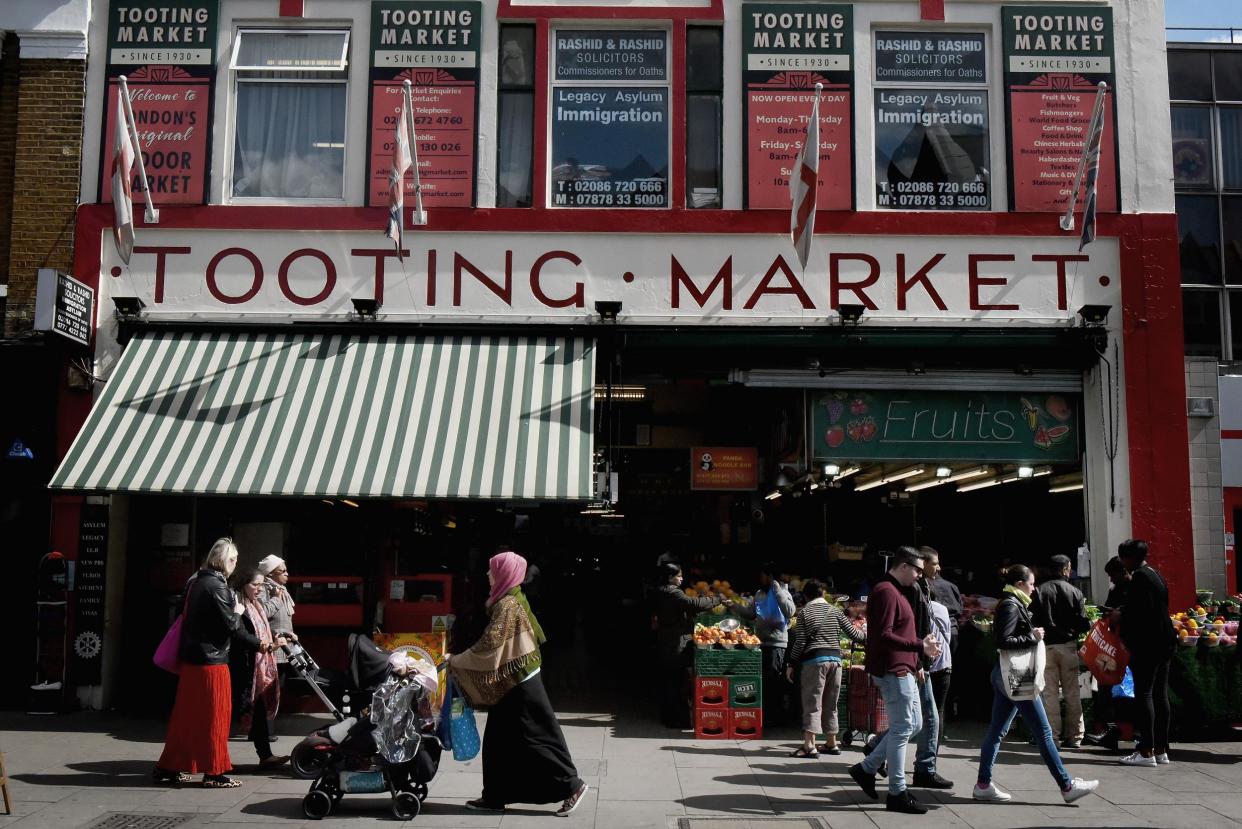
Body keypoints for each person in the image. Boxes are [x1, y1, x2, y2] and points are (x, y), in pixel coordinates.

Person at [446, 551, 590, 817]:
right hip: (514, 678)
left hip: (521, 681)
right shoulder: (508, 599)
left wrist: (457, 660)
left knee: (537, 737)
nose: (488, 575)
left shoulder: (508, 605)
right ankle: (494, 796)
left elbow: (491, 646)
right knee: (499, 740)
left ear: (504, 574)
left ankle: (572, 785)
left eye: (493, 570)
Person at [972, 564, 1099, 804]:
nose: (1034, 589)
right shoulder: (1011, 605)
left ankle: (983, 784)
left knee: (997, 732)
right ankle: (1067, 785)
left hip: (1005, 674)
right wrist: (1033, 636)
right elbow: (1003, 640)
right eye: (1031, 584)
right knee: (1044, 732)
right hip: (1017, 676)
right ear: (1020, 584)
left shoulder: (1012, 602)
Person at [848, 547, 941, 815]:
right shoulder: (887, 591)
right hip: (893, 669)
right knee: (903, 728)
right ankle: (897, 792)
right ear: (903, 566)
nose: (920, 577)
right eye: (917, 571)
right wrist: (919, 646)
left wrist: (916, 657)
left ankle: (866, 769)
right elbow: (883, 636)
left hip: (903, 668)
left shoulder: (894, 590)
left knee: (914, 724)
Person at [153, 538, 251, 788]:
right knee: (215, 716)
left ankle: (169, 766)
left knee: (185, 717)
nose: (235, 564)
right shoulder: (218, 586)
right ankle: (214, 772)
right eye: (233, 559)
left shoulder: (195, 582)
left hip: (192, 660)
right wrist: (238, 611)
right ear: (224, 560)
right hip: (212, 662)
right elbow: (230, 625)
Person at [784, 579, 865, 757]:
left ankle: (809, 746)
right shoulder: (836, 611)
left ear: (805, 596)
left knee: (812, 703)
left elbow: (800, 642)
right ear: (823, 594)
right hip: (836, 661)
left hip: (815, 662)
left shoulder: (805, 612)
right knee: (831, 703)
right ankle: (831, 743)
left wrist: (791, 663)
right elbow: (855, 635)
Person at [1114, 539, 1177, 767]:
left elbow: (1139, 612)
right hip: (1166, 641)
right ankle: (1161, 748)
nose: (1122, 562)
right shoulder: (1155, 574)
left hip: (1149, 644)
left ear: (1129, 557)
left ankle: (1145, 750)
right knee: (1160, 695)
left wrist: (1121, 616)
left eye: (1123, 558)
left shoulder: (1140, 577)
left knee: (1145, 694)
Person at [230, 567, 289, 768]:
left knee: (259, 710)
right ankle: (210, 756)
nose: (258, 588)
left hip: (258, 666)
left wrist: (279, 635)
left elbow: (262, 627)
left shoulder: (256, 604)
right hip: (245, 666)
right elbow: (240, 634)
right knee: (238, 711)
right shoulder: (238, 605)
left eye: (261, 585)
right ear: (243, 584)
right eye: (255, 584)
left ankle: (265, 755)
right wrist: (263, 645)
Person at [654, 562, 724, 728]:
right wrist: (717, 599)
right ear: (670, 577)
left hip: (665, 640)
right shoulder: (672, 593)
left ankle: (668, 716)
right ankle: (675, 719)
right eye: (678, 575)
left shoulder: (661, 591)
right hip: (674, 643)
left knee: (670, 679)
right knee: (675, 680)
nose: (681, 578)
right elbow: (693, 605)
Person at [1031, 554, 1090, 748]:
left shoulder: (1039, 591)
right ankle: (1075, 736)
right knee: (1072, 691)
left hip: (1046, 647)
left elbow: (1032, 620)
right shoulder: (1075, 592)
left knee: (1049, 693)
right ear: (1066, 569)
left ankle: (1052, 737)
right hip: (1068, 646)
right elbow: (1083, 623)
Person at [733, 562, 796, 725]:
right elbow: (750, 613)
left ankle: (775, 717)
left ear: (770, 577)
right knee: (765, 682)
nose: (760, 578)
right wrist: (733, 605)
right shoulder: (759, 594)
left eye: (763, 575)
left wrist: (777, 590)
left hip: (776, 644)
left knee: (774, 681)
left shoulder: (782, 592)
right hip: (761, 644)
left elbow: (790, 611)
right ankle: (766, 715)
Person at [1085, 557, 1130, 748]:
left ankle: (1124, 730)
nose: (1111, 580)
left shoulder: (1137, 588)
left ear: (1123, 572)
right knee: (1105, 686)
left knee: (1124, 691)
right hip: (1113, 647)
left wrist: (1120, 613)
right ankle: (1109, 730)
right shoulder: (1115, 590)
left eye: (1112, 575)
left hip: (1128, 646)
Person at [920, 547, 961, 734]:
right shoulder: (950, 587)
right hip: (948, 636)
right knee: (940, 700)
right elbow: (960, 610)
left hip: (933, 643)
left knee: (930, 699)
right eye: (935, 563)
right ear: (924, 562)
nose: (938, 567)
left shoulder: (926, 590)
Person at [257, 555, 297, 708]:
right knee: (270, 688)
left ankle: (271, 718)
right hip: (272, 648)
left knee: (280, 685)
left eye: (286, 570)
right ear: (270, 574)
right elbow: (260, 614)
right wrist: (276, 599)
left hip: (284, 647)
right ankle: (266, 722)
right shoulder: (264, 589)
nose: (287, 573)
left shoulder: (281, 590)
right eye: (282, 571)